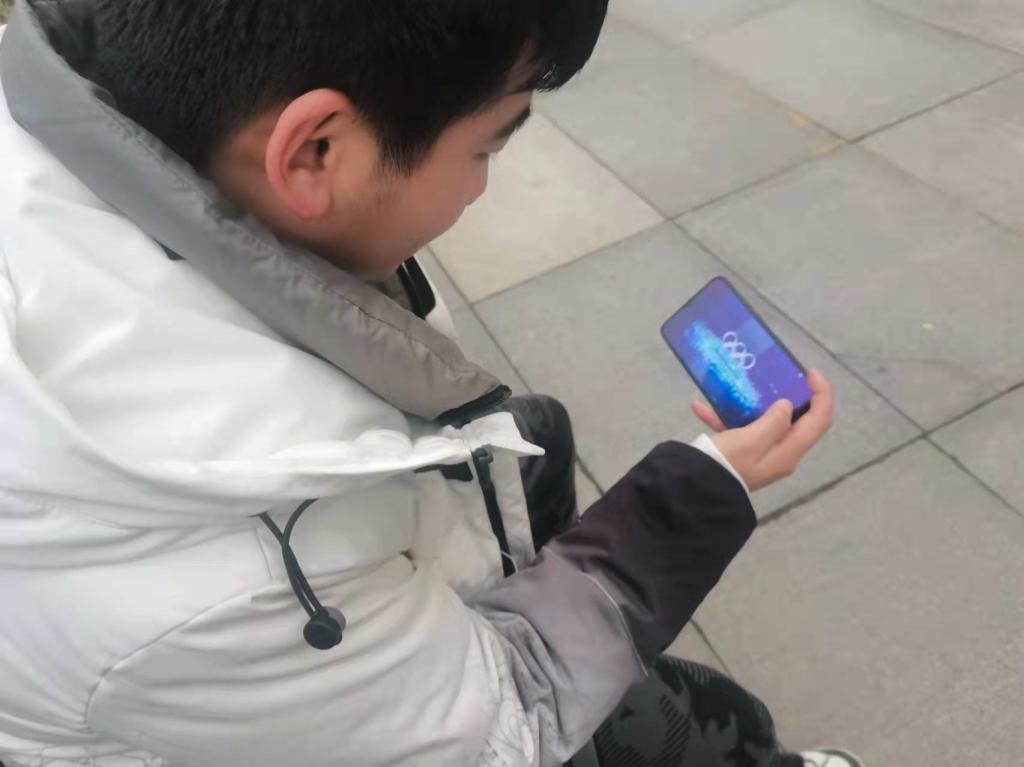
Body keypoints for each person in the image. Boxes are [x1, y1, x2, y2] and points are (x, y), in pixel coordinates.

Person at [0, 1, 857, 765]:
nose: (482, 184)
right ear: (315, 152)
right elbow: (506, 724)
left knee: (539, 436)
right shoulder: (240, 578)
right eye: (488, 143)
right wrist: (703, 489)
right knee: (688, 724)